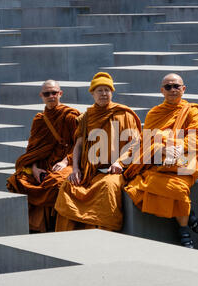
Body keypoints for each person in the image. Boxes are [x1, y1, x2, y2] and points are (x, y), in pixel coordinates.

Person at [124, 73, 198, 248]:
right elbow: (146, 140)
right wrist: (163, 148)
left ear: (183, 89)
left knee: (177, 187)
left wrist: (169, 144)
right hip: (158, 161)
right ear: (162, 90)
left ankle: (184, 228)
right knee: (151, 186)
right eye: (168, 87)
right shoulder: (154, 113)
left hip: (185, 159)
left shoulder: (193, 112)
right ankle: (186, 224)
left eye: (176, 86)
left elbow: (197, 139)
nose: (172, 90)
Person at [54, 72, 142, 232]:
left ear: (112, 92)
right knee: (68, 186)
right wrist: (75, 169)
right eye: (99, 90)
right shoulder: (86, 117)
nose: (103, 94)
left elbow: (135, 143)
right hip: (91, 170)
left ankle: (104, 233)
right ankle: (67, 235)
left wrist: (119, 162)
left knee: (107, 188)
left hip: (116, 170)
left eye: (107, 90)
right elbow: (79, 144)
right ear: (92, 93)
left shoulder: (124, 114)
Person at [7, 80, 80, 232]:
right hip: (44, 162)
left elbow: (81, 143)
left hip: (69, 160)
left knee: (57, 182)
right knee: (19, 179)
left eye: (54, 93)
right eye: (47, 93)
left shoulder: (71, 116)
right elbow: (33, 148)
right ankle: (34, 226)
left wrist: (66, 161)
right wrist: (34, 168)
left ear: (60, 93)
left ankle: (53, 226)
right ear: (41, 96)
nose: (51, 96)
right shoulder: (39, 120)